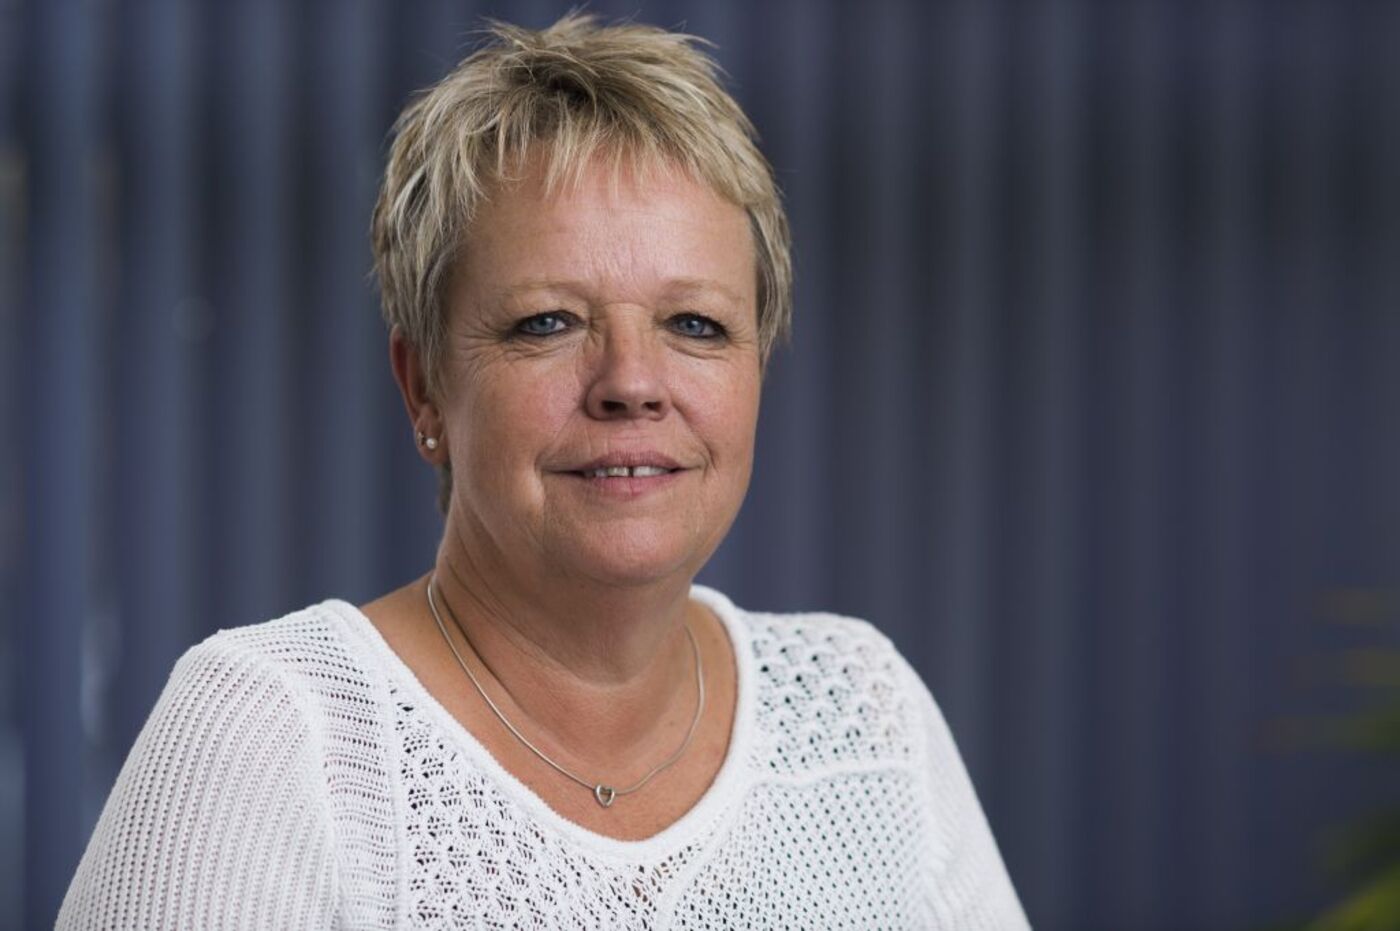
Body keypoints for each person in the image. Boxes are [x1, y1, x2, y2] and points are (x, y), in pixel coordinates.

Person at [57, 14, 1029, 929]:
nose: (631, 383)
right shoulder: (274, 735)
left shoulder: (861, 714)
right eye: (547, 322)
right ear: (424, 387)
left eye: (696, 324)